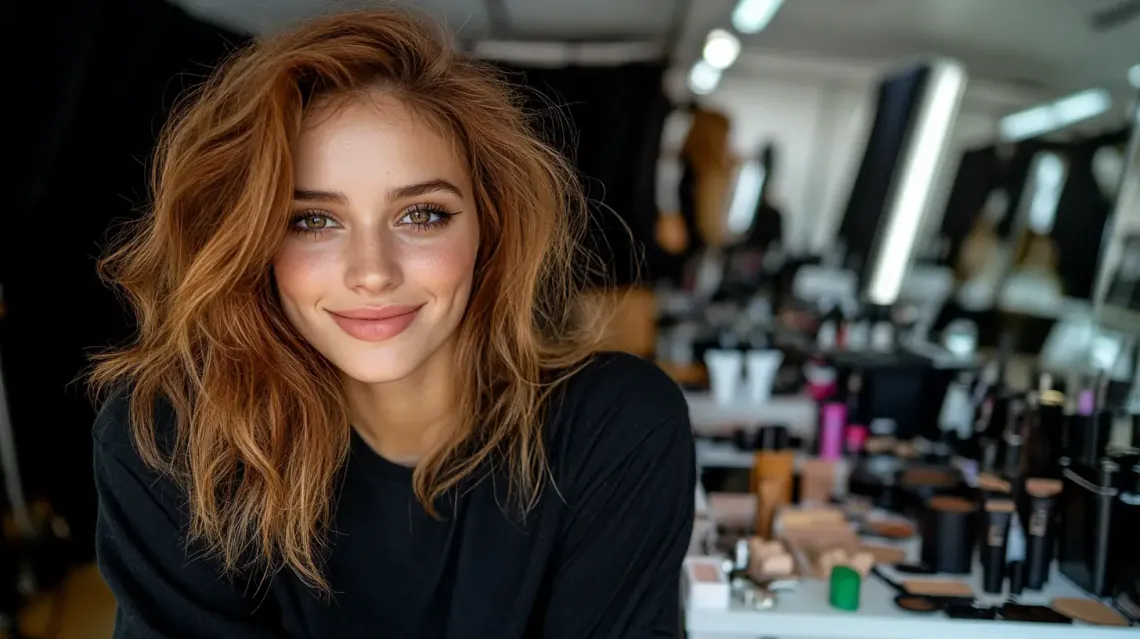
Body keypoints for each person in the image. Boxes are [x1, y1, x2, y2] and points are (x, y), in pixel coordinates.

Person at [90, 10, 694, 639]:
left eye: (422, 215)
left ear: (491, 225)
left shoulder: (617, 429)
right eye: (312, 221)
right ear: (252, 243)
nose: (372, 273)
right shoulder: (171, 442)